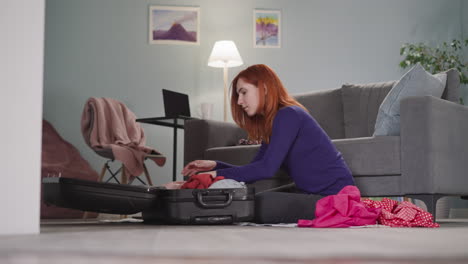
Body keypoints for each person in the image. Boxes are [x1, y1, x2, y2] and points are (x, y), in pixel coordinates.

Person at [181, 64, 355, 223]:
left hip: (333, 197)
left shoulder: (289, 115)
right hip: (310, 193)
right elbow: (256, 168)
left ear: (263, 88)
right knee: (251, 201)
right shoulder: (272, 124)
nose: (240, 101)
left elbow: (266, 169)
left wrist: (214, 174)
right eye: (238, 95)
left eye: (243, 92)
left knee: (258, 204)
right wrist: (215, 165)